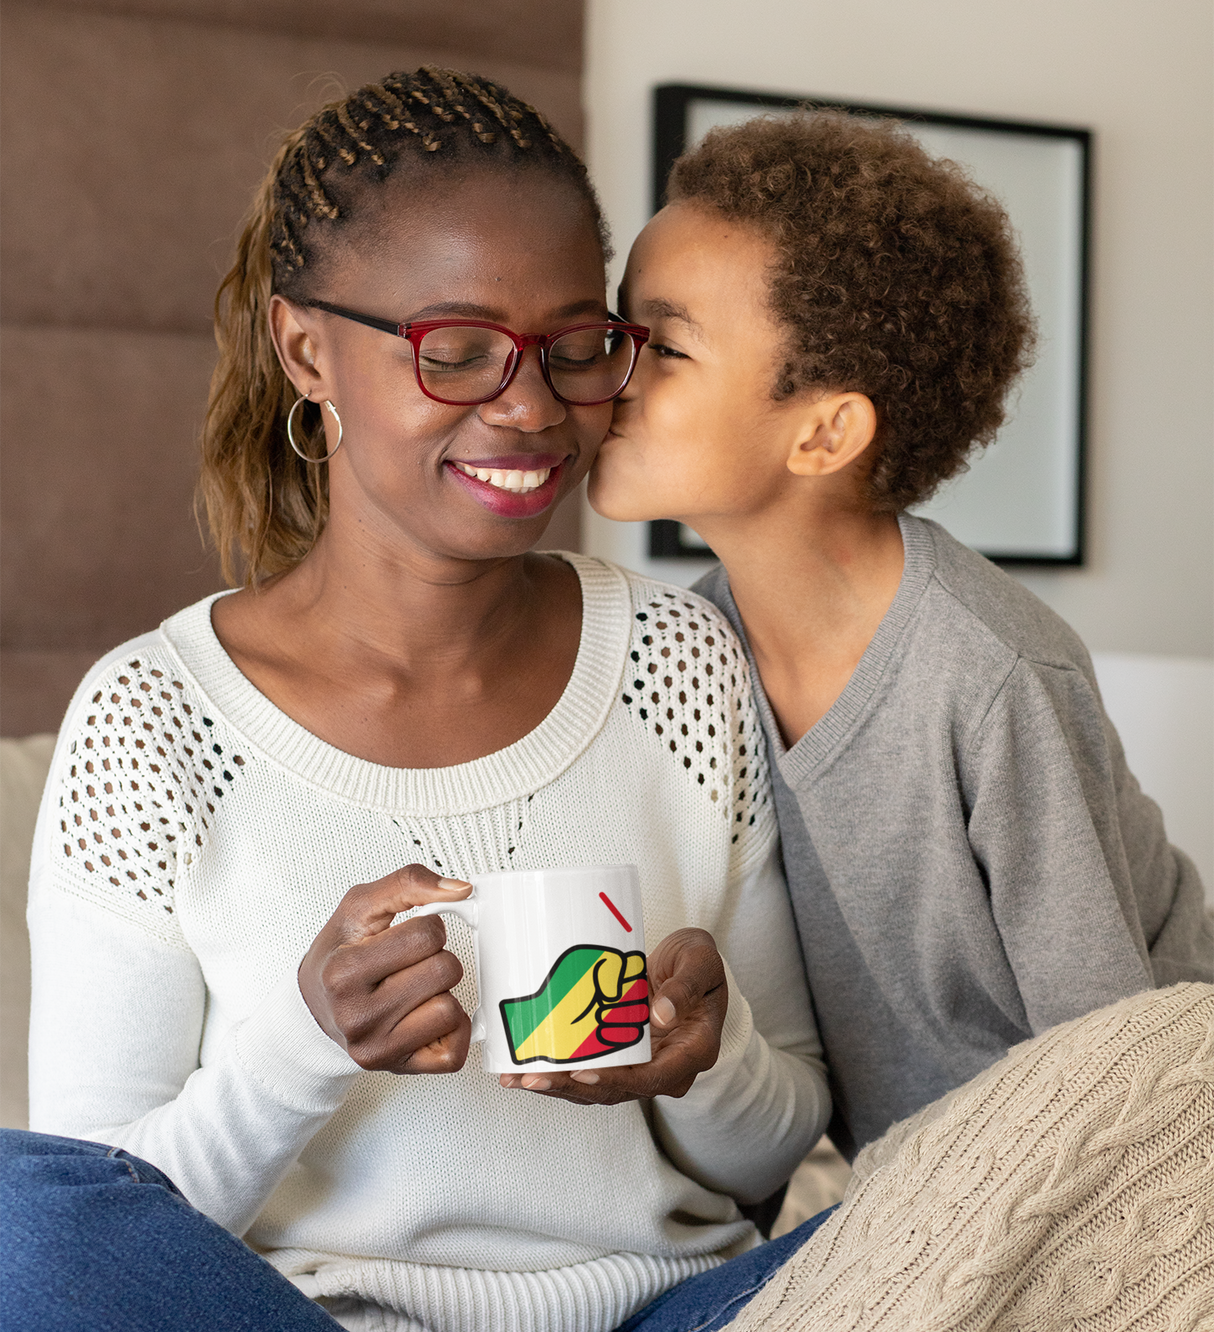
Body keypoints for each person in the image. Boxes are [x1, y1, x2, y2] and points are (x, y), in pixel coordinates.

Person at [1, 70, 831, 1332]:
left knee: (1060, 1147)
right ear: (305, 348)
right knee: (20, 1213)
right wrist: (301, 1040)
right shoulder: (152, 722)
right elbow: (93, 1212)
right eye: (454, 350)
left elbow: (776, 1150)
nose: (531, 408)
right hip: (314, 1323)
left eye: (574, 348)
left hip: (670, 1315)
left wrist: (704, 1064)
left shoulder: (678, 660)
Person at [590, 110, 1214, 1164]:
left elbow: (1111, 1065)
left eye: (666, 346)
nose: (612, 371)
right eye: (618, 331)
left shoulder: (993, 671)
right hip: (897, 1183)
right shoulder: (684, 654)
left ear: (824, 430)